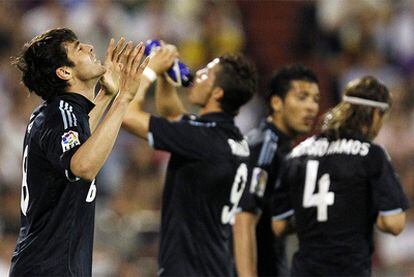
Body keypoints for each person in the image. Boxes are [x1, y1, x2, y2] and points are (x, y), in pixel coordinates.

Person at [9, 28, 148, 276]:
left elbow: (81, 146)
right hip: (49, 267)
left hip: (47, 264)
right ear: (64, 72)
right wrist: (124, 98)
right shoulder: (60, 113)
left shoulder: (59, 112)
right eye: (78, 48)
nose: (90, 47)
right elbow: (83, 166)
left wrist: (107, 95)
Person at [122, 44, 257, 276]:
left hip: (188, 268)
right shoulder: (234, 141)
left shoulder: (199, 139)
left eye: (206, 74)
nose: (197, 76)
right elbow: (173, 115)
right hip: (216, 265)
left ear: (217, 93)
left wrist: (150, 71)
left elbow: (126, 116)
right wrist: (166, 77)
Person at [272, 76, 409, 276]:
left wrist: (316, 218)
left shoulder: (297, 154)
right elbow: (394, 223)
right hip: (348, 269)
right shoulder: (370, 155)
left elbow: (279, 225)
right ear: (375, 113)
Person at [233, 64, 320, 276]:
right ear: (276, 103)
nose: (311, 107)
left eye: (315, 99)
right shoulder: (265, 149)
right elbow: (243, 218)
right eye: (302, 97)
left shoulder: (282, 149)